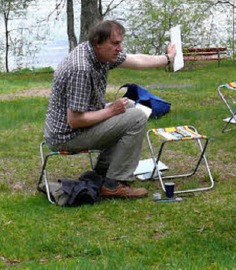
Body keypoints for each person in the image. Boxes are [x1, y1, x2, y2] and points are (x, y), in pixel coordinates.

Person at [44, 20, 177, 199]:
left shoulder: (99, 54)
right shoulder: (81, 68)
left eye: (120, 43)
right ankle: (114, 184)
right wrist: (111, 111)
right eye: (115, 43)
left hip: (79, 124)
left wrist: (167, 58)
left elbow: (136, 60)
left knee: (130, 107)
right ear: (98, 43)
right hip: (66, 136)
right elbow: (75, 120)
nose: (120, 48)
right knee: (136, 117)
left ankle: (103, 172)